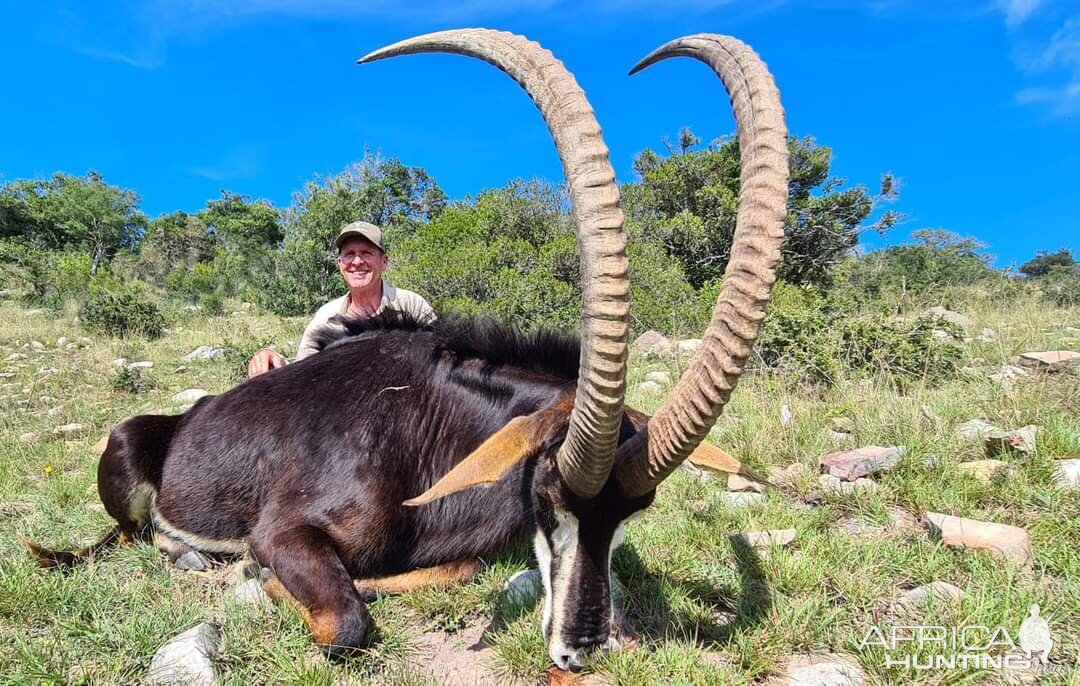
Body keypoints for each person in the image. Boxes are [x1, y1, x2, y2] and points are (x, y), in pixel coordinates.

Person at [247, 220, 435, 378]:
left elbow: (444, 362)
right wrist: (275, 361)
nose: (357, 261)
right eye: (349, 254)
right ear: (340, 264)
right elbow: (304, 373)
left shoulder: (412, 305)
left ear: (384, 262)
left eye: (366, 253)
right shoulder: (326, 318)